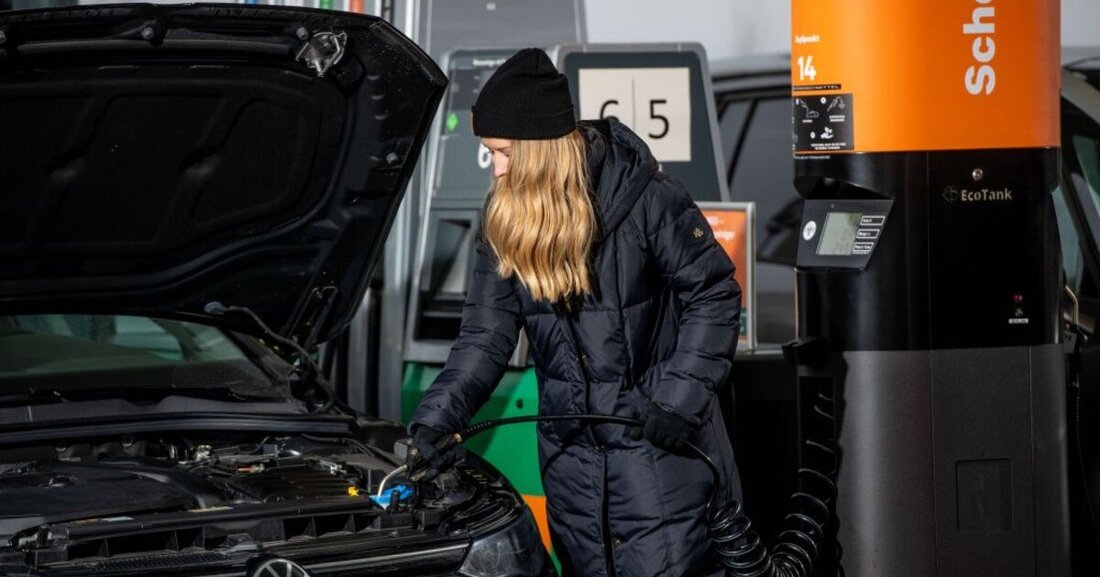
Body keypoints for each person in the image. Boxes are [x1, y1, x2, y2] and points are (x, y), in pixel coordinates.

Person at [407, 48, 743, 577]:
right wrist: (433, 423)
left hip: (659, 460)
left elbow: (715, 294)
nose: (495, 168)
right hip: (571, 475)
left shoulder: (648, 199)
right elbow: (483, 338)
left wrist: (677, 401)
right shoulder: (503, 222)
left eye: (503, 152)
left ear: (540, 150)